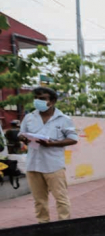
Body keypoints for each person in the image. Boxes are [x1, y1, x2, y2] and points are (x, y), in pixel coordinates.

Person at [18, 87, 79, 223]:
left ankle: (64, 226)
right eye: (36, 98)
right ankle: (43, 226)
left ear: (52, 101)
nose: (37, 101)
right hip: (33, 165)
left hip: (54, 166)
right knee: (39, 201)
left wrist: (51, 143)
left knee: (61, 199)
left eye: (42, 99)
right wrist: (24, 138)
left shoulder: (63, 119)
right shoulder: (29, 117)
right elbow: (21, 134)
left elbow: (73, 138)